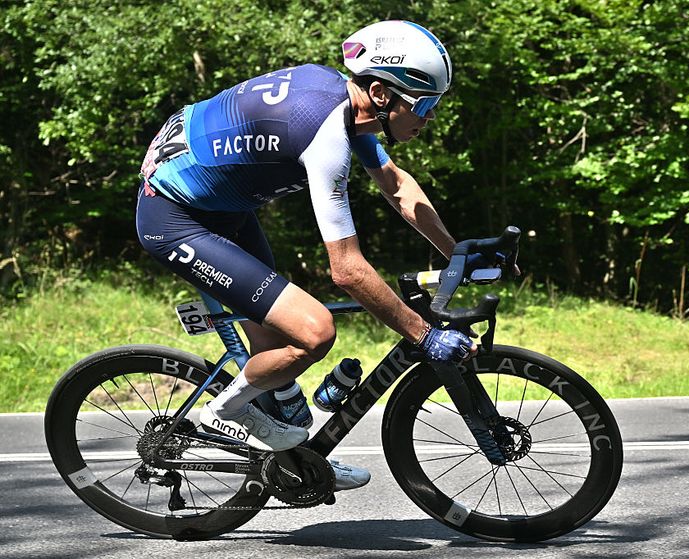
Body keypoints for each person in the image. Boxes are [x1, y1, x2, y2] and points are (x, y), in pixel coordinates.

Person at [135, 20, 476, 491]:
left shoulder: (343, 101)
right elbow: (347, 270)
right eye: (426, 104)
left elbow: (397, 187)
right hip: (176, 219)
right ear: (380, 93)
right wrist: (423, 334)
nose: (430, 117)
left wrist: (456, 253)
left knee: (276, 353)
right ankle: (222, 414)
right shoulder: (326, 133)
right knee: (313, 332)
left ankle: (297, 460)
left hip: (220, 206)